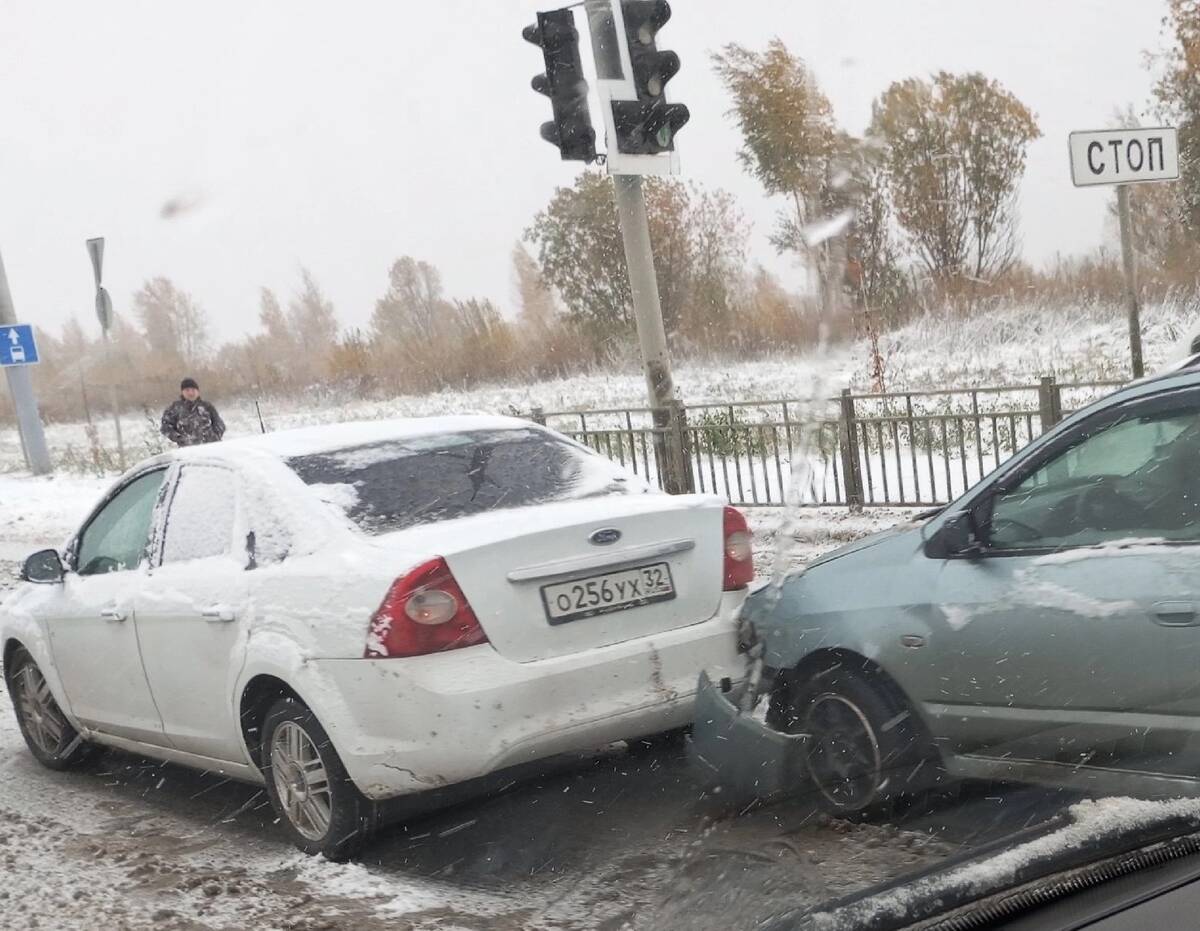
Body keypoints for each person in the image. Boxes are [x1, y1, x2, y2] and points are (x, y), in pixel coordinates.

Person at [160, 378, 226, 447]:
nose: (190, 393)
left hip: (209, 448)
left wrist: (214, 438)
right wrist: (179, 438)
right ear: (182, 392)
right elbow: (165, 428)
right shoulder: (174, 408)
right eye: (187, 390)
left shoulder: (207, 407)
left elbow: (220, 425)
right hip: (187, 451)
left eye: (193, 390)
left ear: (198, 391)